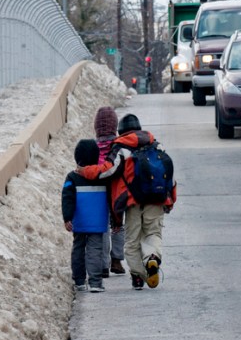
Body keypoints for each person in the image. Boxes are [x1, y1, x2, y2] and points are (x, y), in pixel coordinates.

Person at [76, 114, 177, 290]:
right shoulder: (156, 144)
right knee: (153, 234)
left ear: (121, 131)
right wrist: (170, 199)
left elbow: (106, 171)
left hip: (133, 201)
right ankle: (152, 258)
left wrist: (85, 171)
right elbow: (169, 174)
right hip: (156, 198)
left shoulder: (121, 147)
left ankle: (138, 277)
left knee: (132, 241)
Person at [61, 139, 109, 293]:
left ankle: (80, 281)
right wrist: (115, 219)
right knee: (95, 250)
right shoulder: (103, 176)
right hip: (97, 220)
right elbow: (111, 197)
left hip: (79, 221)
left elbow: (67, 198)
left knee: (78, 248)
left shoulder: (72, 178)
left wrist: (67, 218)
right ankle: (95, 282)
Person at [93, 106, 126, 276]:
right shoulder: (119, 146)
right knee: (118, 223)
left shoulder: (93, 147)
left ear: (96, 127)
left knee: (103, 226)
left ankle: (104, 264)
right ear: (114, 125)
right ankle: (117, 260)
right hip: (117, 191)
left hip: (99, 191)